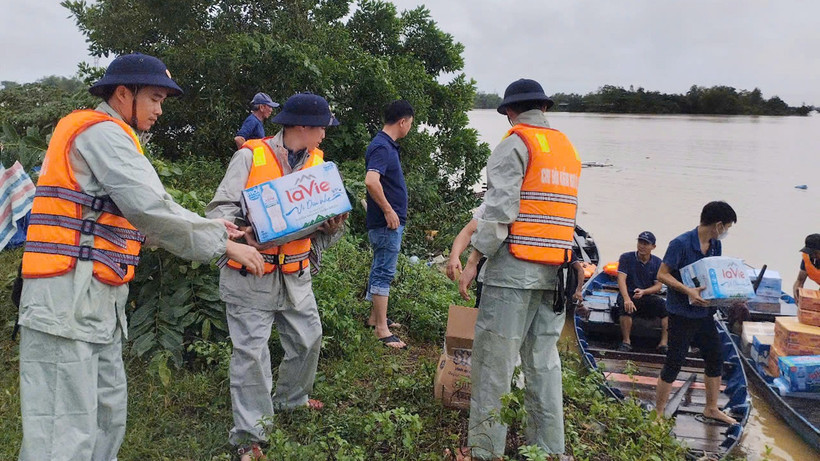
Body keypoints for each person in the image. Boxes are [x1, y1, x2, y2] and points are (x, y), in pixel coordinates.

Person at [16, 53, 265, 461]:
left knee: (105, 419)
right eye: (154, 98)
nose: (159, 110)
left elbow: (140, 218)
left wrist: (211, 227)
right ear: (122, 93)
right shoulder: (102, 133)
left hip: (94, 302)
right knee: (62, 434)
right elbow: (152, 208)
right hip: (65, 301)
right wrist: (223, 244)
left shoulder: (114, 136)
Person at [205, 92, 346, 461]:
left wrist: (332, 227)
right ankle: (250, 436)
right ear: (302, 126)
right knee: (251, 355)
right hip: (251, 274)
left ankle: (291, 399)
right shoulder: (250, 156)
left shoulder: (319, 164)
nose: (324, 135)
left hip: (296, 275)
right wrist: (244, 232)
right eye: (322, 128)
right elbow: (219, 210)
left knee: (309, 339)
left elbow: (327, 226)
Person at [455, 78, 580, 460]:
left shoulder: (515, 143)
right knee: (543, 363)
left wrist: (473, 260)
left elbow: (498, 214)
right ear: (544, 108)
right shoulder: (566, 148)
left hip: (514, 271)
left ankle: (485, 451)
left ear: (510, 111)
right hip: (556, 274)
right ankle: (547, 450)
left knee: (494, 363)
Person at [654, 201, 739, 425]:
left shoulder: (715, 245)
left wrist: (727, 294)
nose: (726, 231)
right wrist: (688, 290)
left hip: (705, 313)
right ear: (718, 225)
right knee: (674, 362)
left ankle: (711, 408)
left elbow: (713, 275)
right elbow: (662, 274)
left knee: (715, 358)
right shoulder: (680, 243)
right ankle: (658, 413)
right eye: (727, 227)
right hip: (681, 313)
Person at [451, 203, 585, 308]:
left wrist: (472, 261)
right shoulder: (497, 202)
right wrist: (456, 257)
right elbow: (470, 230)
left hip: (535, 280)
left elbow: (578, 268)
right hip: (502, 276)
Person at [364, 100, 415, 349]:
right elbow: (371, 181)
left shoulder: (385, 145)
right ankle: (382, 330)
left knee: (380, 266)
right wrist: (388, 210)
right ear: (402, 122)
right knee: (384, 271)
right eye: (410, 123)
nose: (410, 128)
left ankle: (376, 318)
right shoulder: (382, 147)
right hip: (386, 223)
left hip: (387, 222)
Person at [614, 231, 667, 353]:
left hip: (645, 295)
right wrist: (627, 299)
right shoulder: (626, 257)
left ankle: (663, 343)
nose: (642, 246)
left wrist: (644, 291)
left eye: (646, 244)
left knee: (666, 308)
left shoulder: (657, 262)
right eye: (640, 242)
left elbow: (658, 286)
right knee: (626, 307)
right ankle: (626, 341)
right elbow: (621, 280)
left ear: (653, 247)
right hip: (629, 294)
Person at [793, 233, 820, 300]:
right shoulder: (807, 258)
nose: (813, 256)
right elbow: (800, 280)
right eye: (810, 253)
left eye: (815, 253)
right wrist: (797, 293)